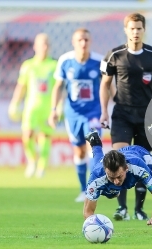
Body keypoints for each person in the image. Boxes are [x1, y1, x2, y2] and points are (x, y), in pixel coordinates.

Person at [99, 13, 152, 221]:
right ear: (125, 30)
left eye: (139, 28)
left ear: (144, 30)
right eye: (132, 28)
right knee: (119, 158)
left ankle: (139, 210)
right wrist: (104, 111)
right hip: (122, 114)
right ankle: (121, 208)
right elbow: (105, 84)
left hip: (146, 115)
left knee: (143, 162)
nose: (135, 32)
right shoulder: (114, 54)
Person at [83, 116, 152, 233]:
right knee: (105, 186)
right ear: (106, 170)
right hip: (101, 171)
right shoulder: (96, 177)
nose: (116, 181)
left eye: (119, 176)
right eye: (111, 177)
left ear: (126, 168)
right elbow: (88, 212)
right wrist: (97, 229)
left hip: (139, 155)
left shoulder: (138, 166)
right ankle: (95, 142)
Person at [48, 28, 103, 202]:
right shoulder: (65, 61)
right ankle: (83, 190)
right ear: (73, 42)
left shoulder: (99, 61)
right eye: (79, 40)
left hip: (94, 112)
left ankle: (93, 189)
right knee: (79, 151)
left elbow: (108, 85)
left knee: (93, 148)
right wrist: (54, 110)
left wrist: (110, 110)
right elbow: (58, 87)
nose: (83, 43)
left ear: (90, 41)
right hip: (73, 113)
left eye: (86, 40)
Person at [8, 33, 57, 178]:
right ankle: (31, 161)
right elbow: (21, 86)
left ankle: (42, 166)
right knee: (27, 135)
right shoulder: (28, 65)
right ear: (35, 47)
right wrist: (15, 102)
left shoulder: (54, 65)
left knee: (45, 136)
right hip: (31, 108)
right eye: (42, 44)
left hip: (47, 107)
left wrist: (58, 105)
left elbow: (58, 88)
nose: (45, 47)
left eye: (47, 44)